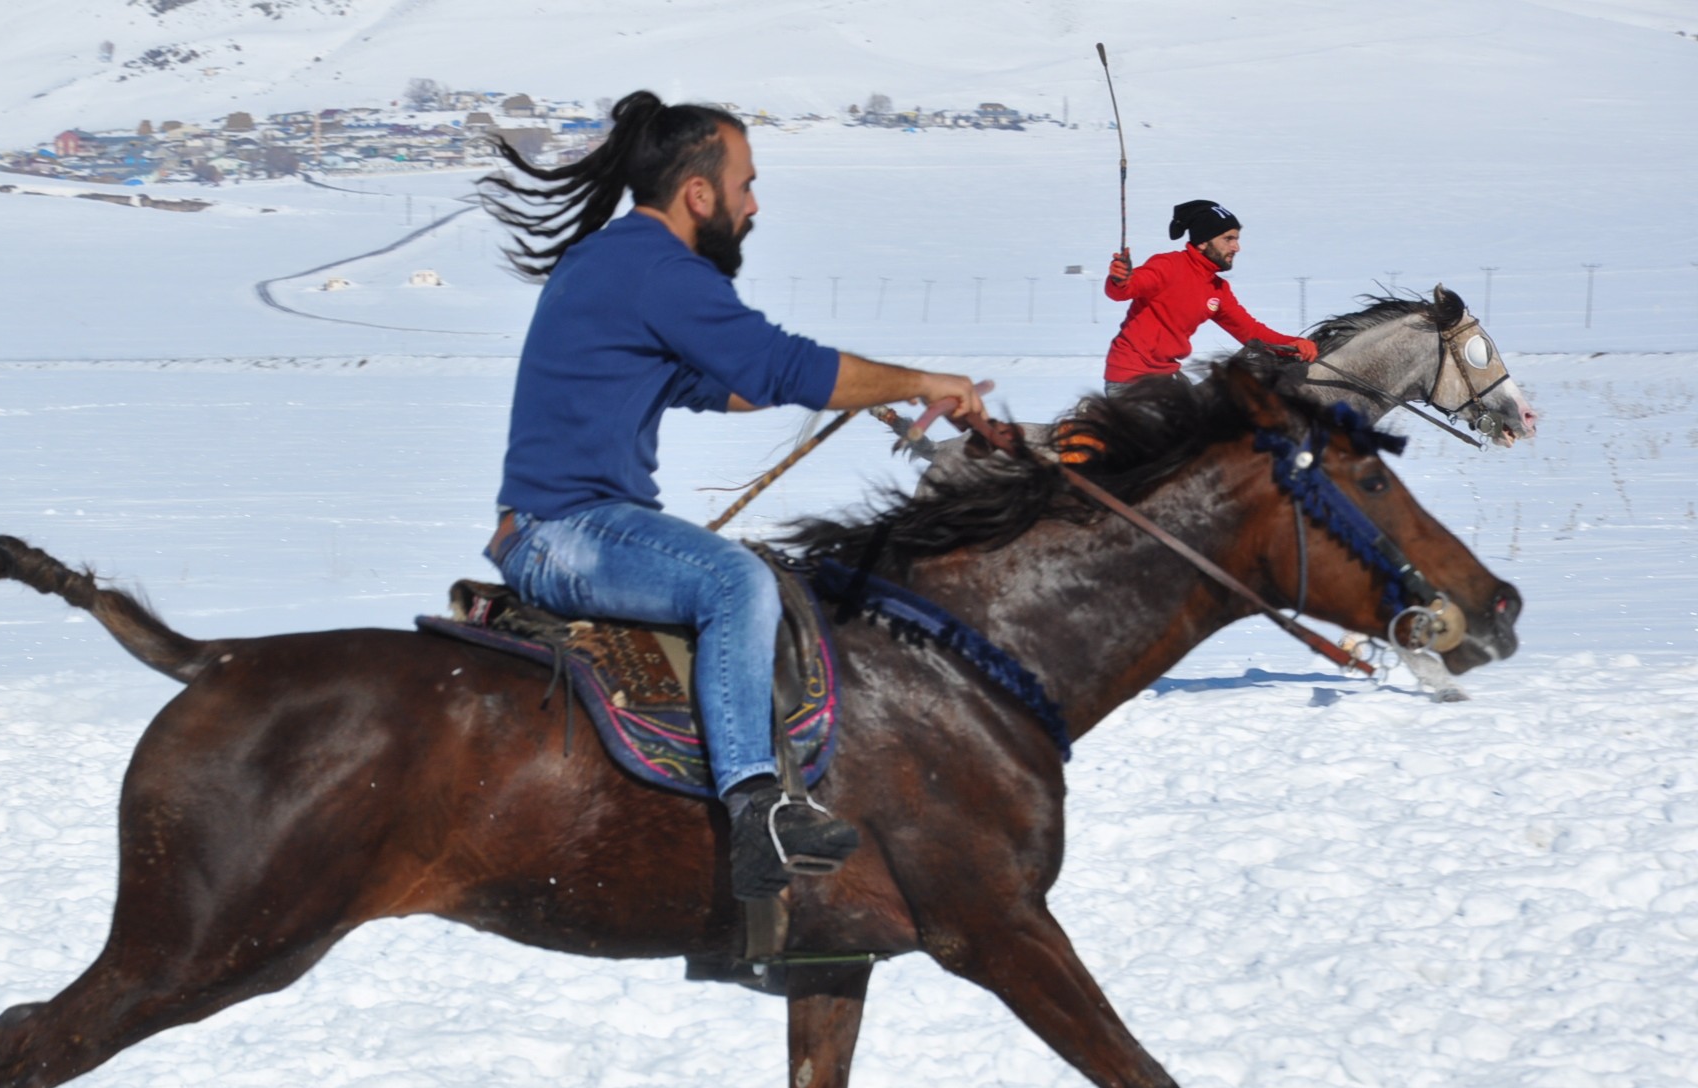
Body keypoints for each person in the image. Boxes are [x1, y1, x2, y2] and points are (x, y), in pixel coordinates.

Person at [481, 92, 984, 899]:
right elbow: (776, 365)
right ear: (699, 193)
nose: (753, 206)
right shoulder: (658, 269)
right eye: (745, 185)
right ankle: (759, 810)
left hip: (562, 525)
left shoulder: (613, 260)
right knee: (735, 580)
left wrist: (862, 390)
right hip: (566, 533)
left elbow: (718, 383)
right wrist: (923, 381)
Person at [1103, 198, 1315, 395]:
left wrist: (1292, 344)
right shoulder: (1168, 266)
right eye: (1228, 239)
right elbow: (1126, 289)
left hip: (1167, 377)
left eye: (1236, 239)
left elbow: (1250, 332)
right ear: (1203, 242)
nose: (1236, 247)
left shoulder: (1217, 289)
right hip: (1130, 379)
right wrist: (1120, 279)